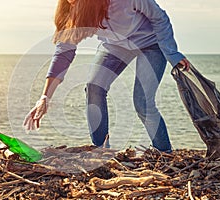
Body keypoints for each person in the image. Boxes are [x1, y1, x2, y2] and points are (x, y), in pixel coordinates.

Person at [23, 0, 191, 152]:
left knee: (143, 102)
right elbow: (63, 53)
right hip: (115, 46)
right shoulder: (72, 9)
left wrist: (172, 53)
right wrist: (45, 96)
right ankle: (101, 150)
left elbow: (159, 17)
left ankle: (164, 152)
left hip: (151, 44)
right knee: (94, 87)